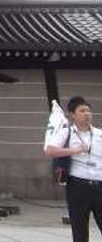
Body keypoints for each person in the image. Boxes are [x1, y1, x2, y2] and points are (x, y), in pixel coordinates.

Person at [44, 96, 102, 242]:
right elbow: (50, 150)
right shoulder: (67, 132)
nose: (87, 114)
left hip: (99, 185)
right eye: (82, 111)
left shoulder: (99, 134)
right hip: (78, 186)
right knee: (80, 230)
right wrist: (74, 150)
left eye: (88, 111)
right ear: (72, 114)